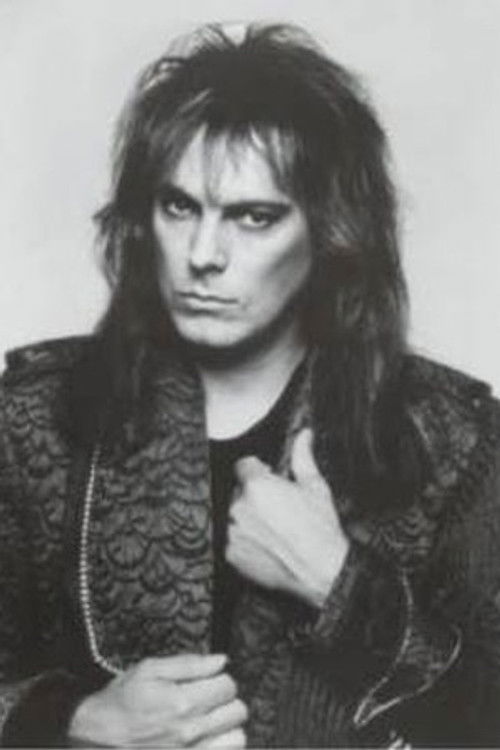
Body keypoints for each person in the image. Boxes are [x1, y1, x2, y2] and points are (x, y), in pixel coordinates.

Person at [1, 22, 500, 749]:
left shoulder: (451, 442)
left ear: (331, 233)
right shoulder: (31, 420)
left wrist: (337, 584)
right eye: (179, 208)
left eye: (254, 217)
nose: (203, 255)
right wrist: (68, 722)